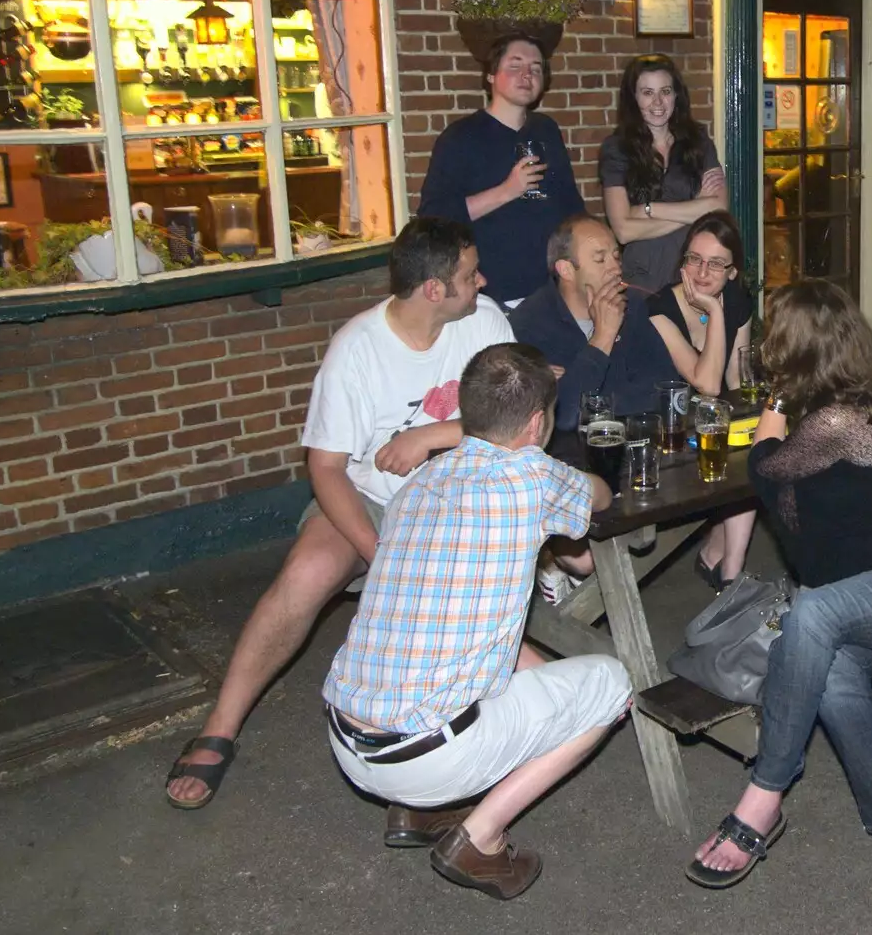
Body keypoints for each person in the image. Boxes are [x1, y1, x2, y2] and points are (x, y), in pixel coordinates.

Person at [164, 218, 514, 814]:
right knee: (304, 576)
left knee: (451, 602)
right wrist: (379, 554)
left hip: (460, 499)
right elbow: (325, 469)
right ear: (434, 290)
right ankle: (218, 727)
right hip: (370, 498)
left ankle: (432, 763)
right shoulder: (357, 349)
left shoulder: (485, 321)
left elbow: (520, 411)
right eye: (468, 274)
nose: (482, 279)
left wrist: (436, 433)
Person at [687, 280, 872, 895]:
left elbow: (766, 468)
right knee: (826, 673)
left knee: (813, 612)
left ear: (791, 355)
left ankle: (765, 794)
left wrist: (773, 400)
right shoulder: (866, 395)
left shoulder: (842, 419)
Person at [324, 343, 632, 901]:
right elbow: (599, 497)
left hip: (347, 738)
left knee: (467, 635)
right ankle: (478, 839)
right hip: (425, 755)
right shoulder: (532, 476)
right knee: (613, 683)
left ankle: (418, 814)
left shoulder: (420, 483)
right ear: (537, 422)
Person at [418, 34, 586, 307]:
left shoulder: (546, 129)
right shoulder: (461, 137)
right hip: (492, 294)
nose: (526, 75)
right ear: (491, 75)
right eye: (515, 65)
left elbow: (571, 206)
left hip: (552, 291)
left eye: (535, 68)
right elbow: (433, 219)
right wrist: (508, 190)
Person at [647, 211, 758, 589]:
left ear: (732, 272)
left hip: (710, 426)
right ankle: (720, 561)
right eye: (693, 259)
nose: (701, 272)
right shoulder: (659, 309)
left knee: (755, 450)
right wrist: (713, 309)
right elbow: (706, 382)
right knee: (738, 452)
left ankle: (730, 571)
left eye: (715, 264)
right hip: (668, 432)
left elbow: (736, 382)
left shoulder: (738, 301)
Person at [507, 213, 677, 431]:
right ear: (566, 270)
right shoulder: (530, 322)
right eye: (600, 259)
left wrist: (596, 403)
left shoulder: (630, 304)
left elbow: (665, 388)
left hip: (634, 442)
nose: (615, 269)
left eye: (617, 257)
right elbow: (563, 417)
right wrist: (602, 337)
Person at [600, 54, 727, 292]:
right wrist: (695, 208)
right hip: (644, 278)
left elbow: (719, 208)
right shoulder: (617, 149)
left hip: (696, 273)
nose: (658, 102)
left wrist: (647, 210)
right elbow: (624, 231)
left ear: (676, 95)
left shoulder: (698, 140)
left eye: (665, 91)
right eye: (647, 93)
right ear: (633, 98)